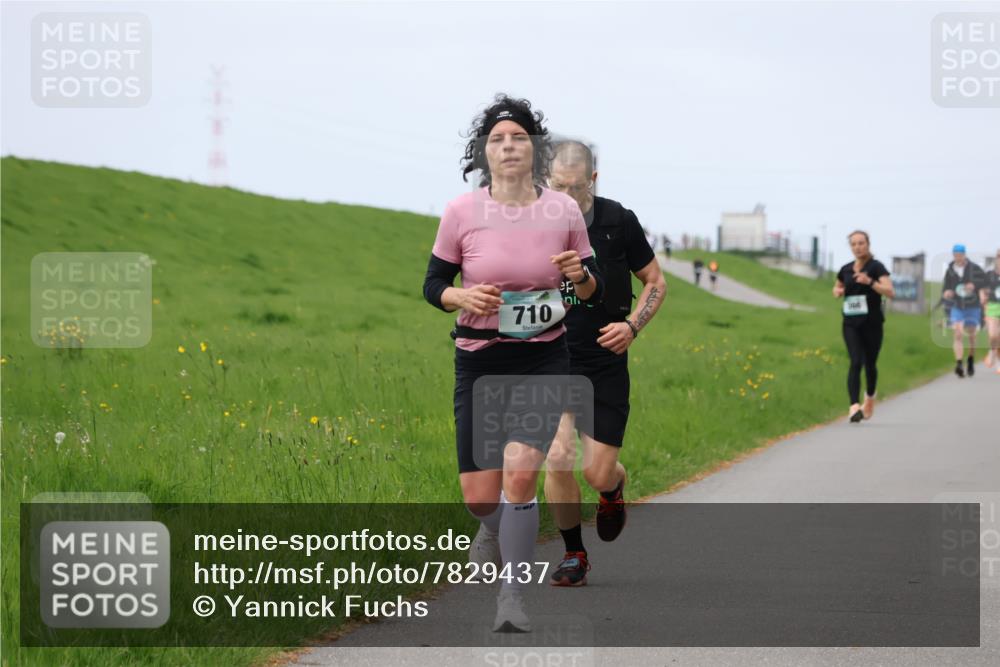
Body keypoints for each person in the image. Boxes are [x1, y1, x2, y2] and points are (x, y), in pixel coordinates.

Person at [422, 94, 603, 631]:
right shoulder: (461, 212)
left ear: (535, 148)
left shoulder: (564, 210)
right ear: (484, 151)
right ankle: (491, 526)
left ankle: (512, 599)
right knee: (482, 498)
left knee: (522, 474)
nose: (508, 146)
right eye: (498, 139)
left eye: (519, 137)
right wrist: (460, 298)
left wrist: (578, 276)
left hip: (544, 357)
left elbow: (590, 293)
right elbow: (433, 285)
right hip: (478, 360)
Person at [544, 140, 666, 586]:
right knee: (557, 456)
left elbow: (655, 281)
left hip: (605, 358)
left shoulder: (619, 221)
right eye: (558, 186)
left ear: (593, 180)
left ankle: (612, 489)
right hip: (551, 357)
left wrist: (632, 326)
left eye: (576, 188)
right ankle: (574, 554)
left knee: (596, 470)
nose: (567, 197)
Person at [832, 231, 895, 422]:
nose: (858, 247)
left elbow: (890, 291)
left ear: (868, 244)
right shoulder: (845, 269)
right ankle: (853, 407)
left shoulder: (876, 267)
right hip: (851, 323)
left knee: (870, 364)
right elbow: (837, 286)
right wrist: (838, 291)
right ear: (850, 247)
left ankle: (869, 398)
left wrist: (870, 282)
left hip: (872, 323)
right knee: (855, 361)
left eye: (861, 243)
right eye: (854, 244)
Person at [942, 244, 986, 378]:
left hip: (973, 306)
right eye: (955, 255)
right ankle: (959, 363)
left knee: (971, 336)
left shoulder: (975, 268)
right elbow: (946, 288)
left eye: (960, 255)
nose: (957, 258)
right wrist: (947, 292)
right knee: (958, 334)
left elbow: (984, 282)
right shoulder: (950, 270)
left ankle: (971, 359)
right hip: (957, 306)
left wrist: (974, 285)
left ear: (964, 255)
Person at [982, 251, 1000, 374]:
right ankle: (992, 352)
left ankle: (998, 362)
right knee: (993, 335)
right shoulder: (989, 274)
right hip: (992, 307)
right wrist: (983, 297)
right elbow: (982, 289)